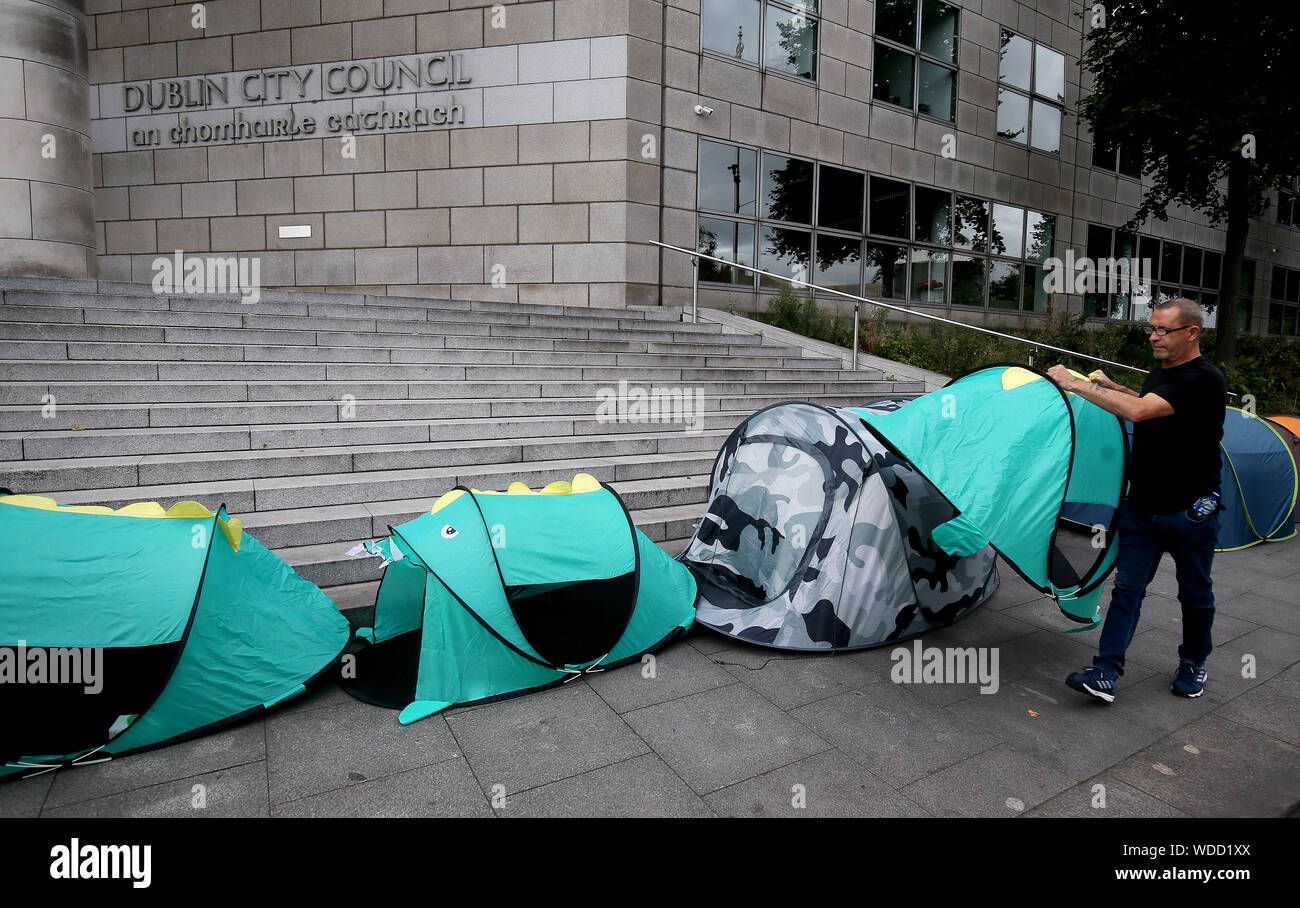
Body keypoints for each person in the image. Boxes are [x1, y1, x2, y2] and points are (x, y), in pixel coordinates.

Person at [1046, 297, 1227, 702]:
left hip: (1189, 512)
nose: (1154, 336)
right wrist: (1112, 387)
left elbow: (1142, 412)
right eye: (1153, 328)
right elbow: (1151, 402)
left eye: (1164, 330)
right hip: (1142, 508)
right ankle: (1106, 671)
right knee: (1127, 590)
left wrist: (1074, 384)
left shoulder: (1204, 379)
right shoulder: (1162, 373)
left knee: (1194, 594)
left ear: (1192, 333)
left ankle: (1194, 661)